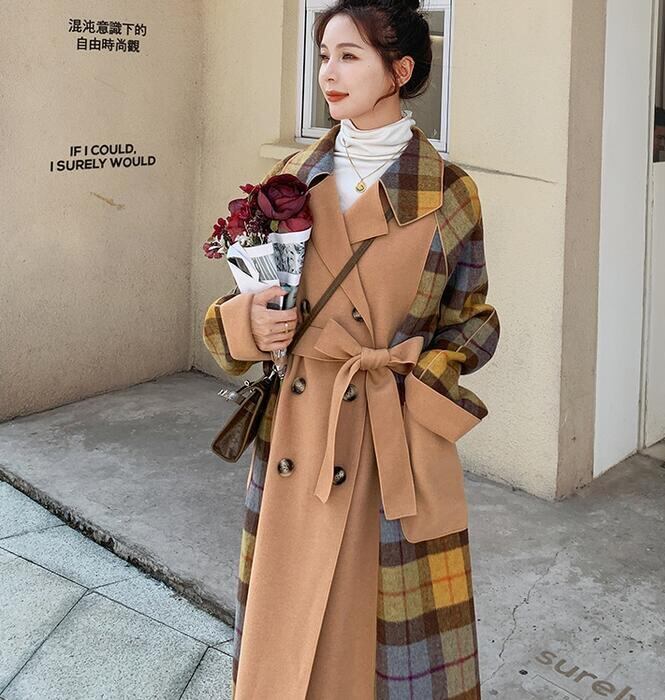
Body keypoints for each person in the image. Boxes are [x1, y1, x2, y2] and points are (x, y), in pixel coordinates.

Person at [202, 0, 501, 697]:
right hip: (300, 427)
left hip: (392, 434)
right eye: (323, 56)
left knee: (383, 631)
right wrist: (250, 325)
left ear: (399, 70)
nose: (327, 74)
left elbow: (474, 321)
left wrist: (422, 384)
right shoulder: (291, 180)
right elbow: (249, 295)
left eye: (349, 56)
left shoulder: (449, 192)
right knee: (289, 623)